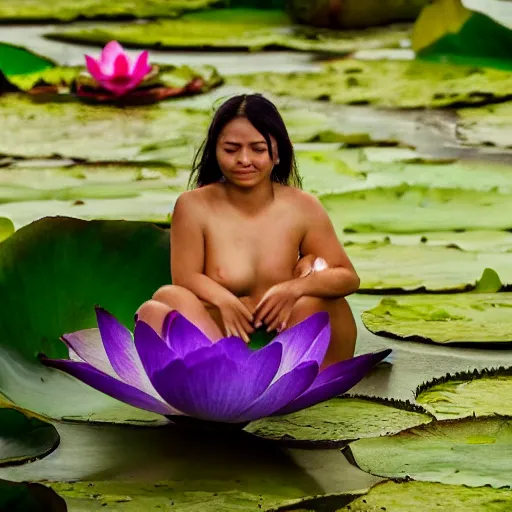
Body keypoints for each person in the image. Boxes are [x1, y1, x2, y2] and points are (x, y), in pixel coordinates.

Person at [137, 93, 360, 367]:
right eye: (231, 150)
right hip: (221, 335)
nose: (244, 160)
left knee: (317, 300)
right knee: (164, 300)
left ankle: (259, 378)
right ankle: (224, 373)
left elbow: (348, 277)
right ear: (215, 152)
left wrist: (293, 288)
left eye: (257, 149)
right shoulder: (192, 205)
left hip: (291, 338)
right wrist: (224, 300)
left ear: (277, 153)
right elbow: (185, 276)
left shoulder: (303, 206)